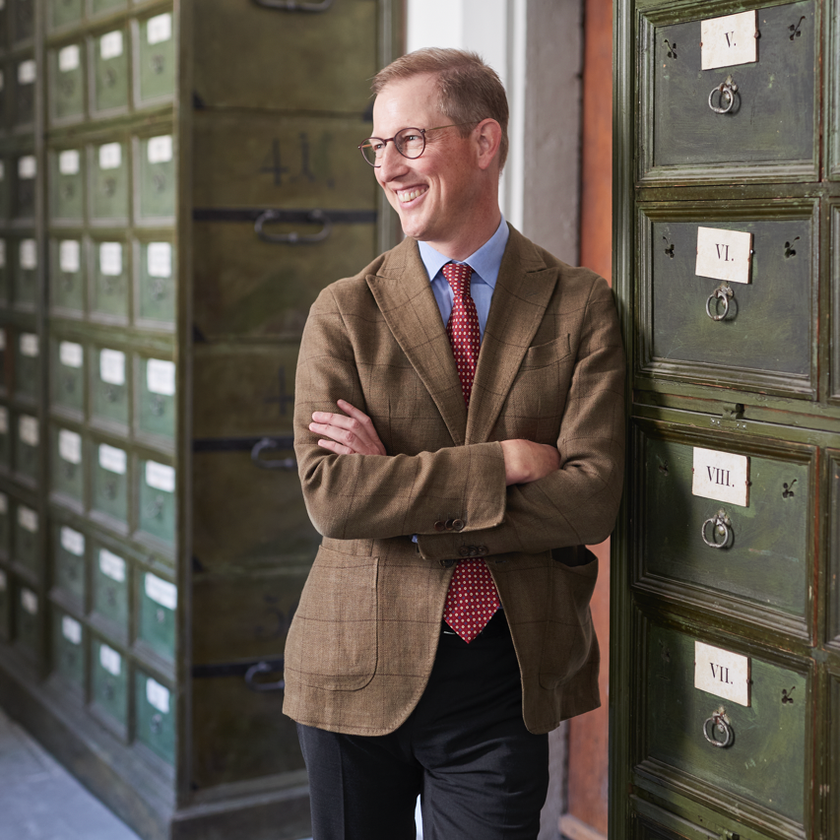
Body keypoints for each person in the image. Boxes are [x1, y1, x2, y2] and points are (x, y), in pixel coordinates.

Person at [284, 47, 625, 840]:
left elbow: (591, 496)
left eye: (410, 141)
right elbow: (332, 496)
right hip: (351, 670)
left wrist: (398, 496)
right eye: (377, 147)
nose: (389, 167)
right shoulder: (343, 312)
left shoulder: (580, 306)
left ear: (484, 142)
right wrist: (501, 463)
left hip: (505, 678)